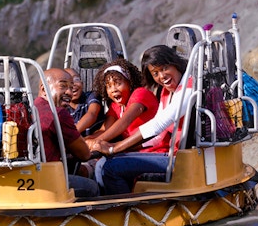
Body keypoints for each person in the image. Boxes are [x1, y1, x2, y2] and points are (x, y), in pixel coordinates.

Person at [89, 45, 195, 195]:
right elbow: (158, 136)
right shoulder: (166, 91)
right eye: (155, 73)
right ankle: (110, 206)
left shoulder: (189, 88)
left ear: (175, 63)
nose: (162, 76)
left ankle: (127, 211)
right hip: (172, 154)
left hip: (181, 158)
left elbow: (159, 124)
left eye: (165, 68)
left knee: (111, 168)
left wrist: (114, 148)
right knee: (102, 164)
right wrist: (117, 147)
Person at [36, 68, 99, 198]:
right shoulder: (58, 114)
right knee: (92, 187)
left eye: (71, 87)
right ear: (44, 89)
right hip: (48, 180)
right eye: (63, 86)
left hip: (31, 177)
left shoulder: (31, 107)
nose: (69, 92)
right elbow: (84, 154)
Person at [64, 67, 105, 136]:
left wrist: (72, 135)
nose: (73, 84)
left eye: (76, 79)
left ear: (82, 83)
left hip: (97, 139)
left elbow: (92, 114)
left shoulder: (91, 96)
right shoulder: (63, 108)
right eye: (66, 82)